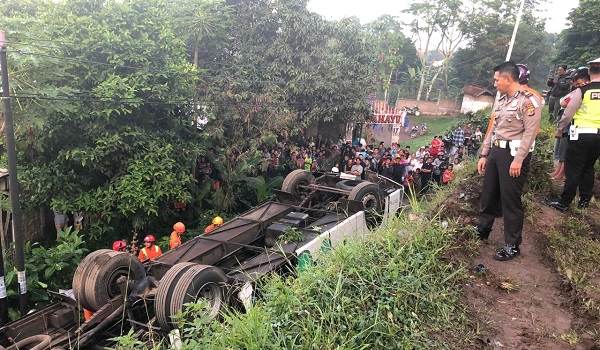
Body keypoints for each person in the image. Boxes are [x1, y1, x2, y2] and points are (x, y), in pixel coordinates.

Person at [475, 61, 541, 261]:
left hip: (513, 155)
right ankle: (483, 230)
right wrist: (485, 154)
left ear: (508, 79)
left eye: (496, 80)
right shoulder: (503, 100)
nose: (494, 83)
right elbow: (494, 128)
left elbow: (530, 133)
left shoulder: (528, 101)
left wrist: (519, 159)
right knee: (488, 194)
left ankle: (512, 245)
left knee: (510, 200)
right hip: (496, 150)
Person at [545, 57, 600, 211]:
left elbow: (568, 113)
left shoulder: (583, 90)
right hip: (599, 137)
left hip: (581, 134)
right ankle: (583, 202)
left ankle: (564, 202)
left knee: (573, 168)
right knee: (588, 168)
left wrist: (560, 129)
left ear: (589, 71)